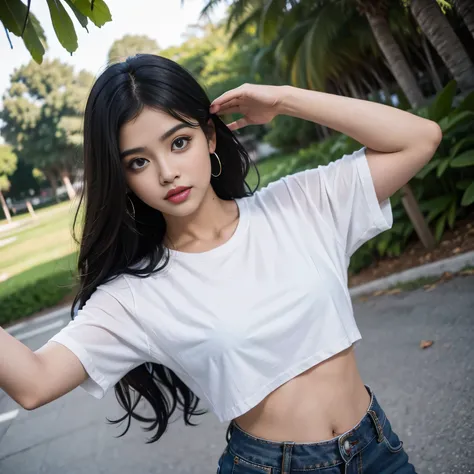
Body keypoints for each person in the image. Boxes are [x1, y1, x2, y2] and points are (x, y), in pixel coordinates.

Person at [0, 54, 441, 473]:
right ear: (124, 179)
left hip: (375, 447)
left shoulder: (297, 204)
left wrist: (285, 99)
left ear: (209, 137)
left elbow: (419, 139)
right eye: (138, 162)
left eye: (178, 142)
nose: (166, 172)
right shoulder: (135, 295)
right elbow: (34, 382)